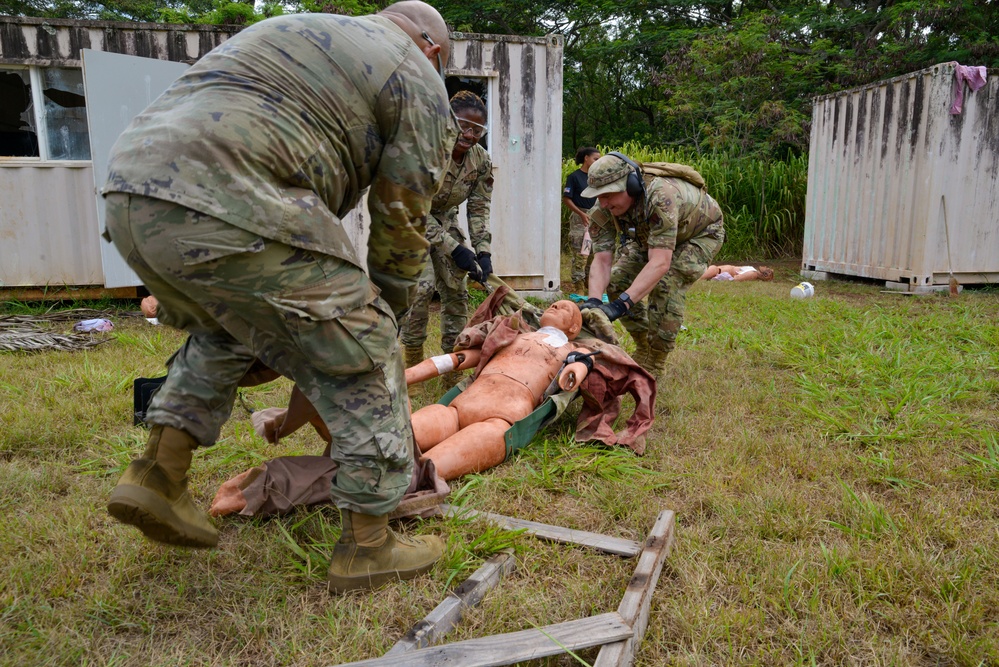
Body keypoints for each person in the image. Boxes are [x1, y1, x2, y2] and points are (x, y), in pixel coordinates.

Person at [101, 1, 459, 594]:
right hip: (233, 195)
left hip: (132, 191)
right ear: (435, 52)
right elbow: (402, 216)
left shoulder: (302, 30)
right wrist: (383, 315)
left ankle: (158, 476)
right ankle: (369, 544)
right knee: (366, 348)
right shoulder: (416, 74)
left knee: (226, 330)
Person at [580, 153, 725, 379]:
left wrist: (621, 305)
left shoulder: (661, 197)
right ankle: (644, 345)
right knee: (618, 281)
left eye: (608, 195)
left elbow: (660, 262)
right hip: (650, 237)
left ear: (631, 186)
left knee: (667, 284)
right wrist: (594, 303)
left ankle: (656, 361)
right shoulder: (602, 210)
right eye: (599, 196)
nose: (604, 203)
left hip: (699, 234)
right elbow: (602, 260)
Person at [409, 300, 590, 479]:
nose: (554, 306)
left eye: (564, 308)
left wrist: (575, 372)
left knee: (486, 438)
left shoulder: (572, 349)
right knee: (405, 434)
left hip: (503, 414)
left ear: (574, 328)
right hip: (464, 403)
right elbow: (459, 359)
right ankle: (388, 454)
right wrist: (407, 375)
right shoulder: (513, 335)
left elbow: (584, 362)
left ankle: (417, 475)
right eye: (553, 305)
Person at [400, 90, 494, 380]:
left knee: (456, 291)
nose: (469, 134)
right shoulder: (422, 151)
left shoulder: (480, 160)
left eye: (477, 130)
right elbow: (415, 208)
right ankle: (412, 366)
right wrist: (455, 249)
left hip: (446, 221)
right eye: (463, 126)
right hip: (411, 222)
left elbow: (479, 208)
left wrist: (482, 250)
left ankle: (451, 367)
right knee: (422, 290)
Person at [562, 147, 601, 284]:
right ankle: (578, 284)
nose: (597, 162)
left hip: (595, 219)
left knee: (593, 253)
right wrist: (581, 214)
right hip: (580, 219)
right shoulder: (574, 177)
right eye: (595, 159)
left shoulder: (596, 177)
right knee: (580, 254)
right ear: (586, 158)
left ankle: (589, 285)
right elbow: (566, 199)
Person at [700, 265, 774, 282]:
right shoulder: (753, 271)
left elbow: (736, 278)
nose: (765, 267)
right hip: (716, 270)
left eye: (768, 269)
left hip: (717, 271)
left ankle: (698, 279)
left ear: (766, 274)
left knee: (713, 268)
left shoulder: (753, 274)